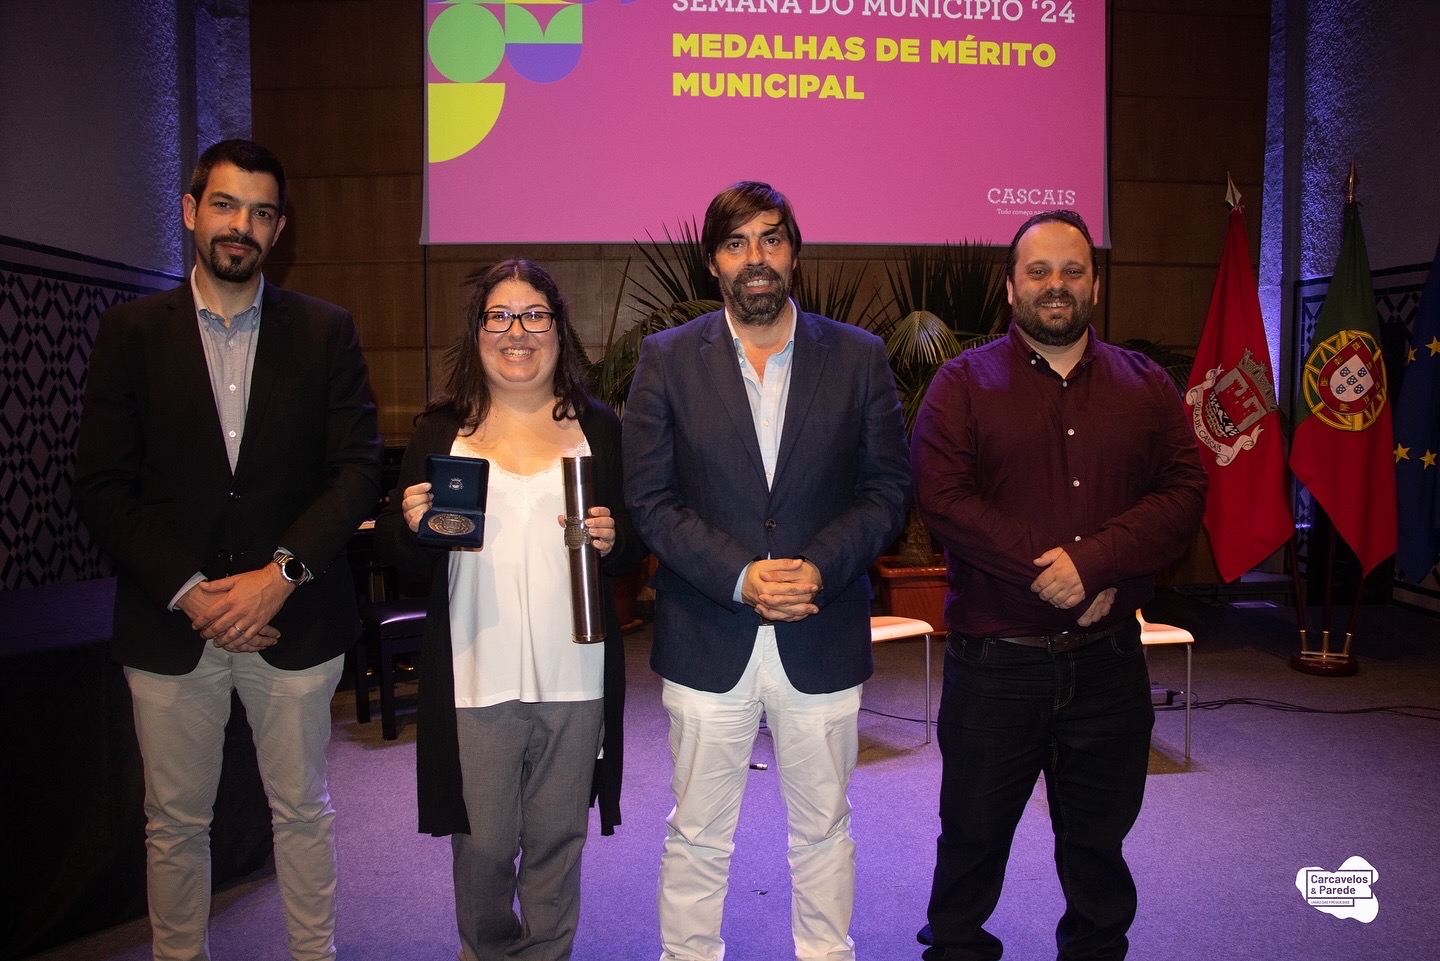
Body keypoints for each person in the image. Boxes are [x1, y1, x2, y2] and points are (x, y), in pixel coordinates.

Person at [73, 138, 383, 961]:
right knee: (174, 822)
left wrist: (279, 577)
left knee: (303, 811)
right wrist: (191, 591)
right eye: (225, 204)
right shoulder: (130, 333)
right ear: (190, 211)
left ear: (278, 228)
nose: (241, 225)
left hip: (295, 615)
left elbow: (356, 471)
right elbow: (102, 484)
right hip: (169, 621)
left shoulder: (325, 332)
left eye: (260, 212)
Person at [623, 181, 911, 961]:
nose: (756, 257)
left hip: (821, 629)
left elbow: (888, 491)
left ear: (794, 253)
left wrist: (817, 568)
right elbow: (650, 498)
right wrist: (741, 575)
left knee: (824, 829)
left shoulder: (858, 357)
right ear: (713, 262)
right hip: (707, 629)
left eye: (771, 238)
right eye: (736, 242)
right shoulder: (666, 360)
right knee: (696, 833)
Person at [910, 209, 1207, 961]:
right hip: (995, 667)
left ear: (1095, 285)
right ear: (1011, 287)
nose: (1056, 285)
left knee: (1099, 849)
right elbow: (944, 499)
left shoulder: (1146, 386)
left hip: (1109, 664)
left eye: (1073, 270)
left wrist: (1096, 564)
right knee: (971, 843)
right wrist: (1057, 571)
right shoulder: (960, 385)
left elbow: (1183, 495)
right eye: (1038, 271)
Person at [374, 259, 644, 961]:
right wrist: (412, 522)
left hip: (576, 672)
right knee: (485, 844)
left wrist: (615, 539)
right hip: (475, 674)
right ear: (477, 331)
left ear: (559, 330)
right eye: (499, 315)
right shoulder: (442, 431)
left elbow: (632, 543)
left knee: (558, 839)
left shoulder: (598, 428)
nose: (516, 331)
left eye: (534, 315)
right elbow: (397, 548)